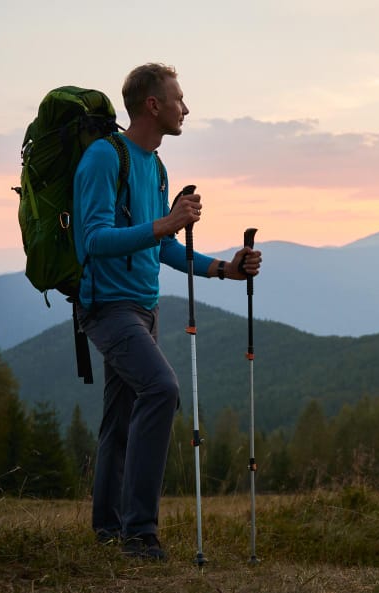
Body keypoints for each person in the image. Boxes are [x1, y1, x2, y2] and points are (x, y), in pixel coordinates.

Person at [72, 63, 262, 560]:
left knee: (121, 420)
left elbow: (162, 248)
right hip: (108, 307)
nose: (187, 108)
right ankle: (140, 533)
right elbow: (91, 240)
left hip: (144, 309)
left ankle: (108, 530)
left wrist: (225, 268)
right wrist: (165, 223)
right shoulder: (102, 158)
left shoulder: (155, 167)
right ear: (153, 105)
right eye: (179, 99)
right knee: (162, 389)